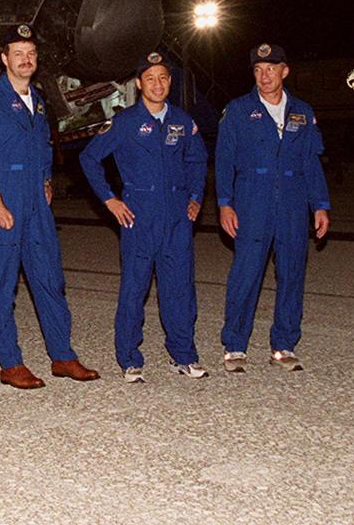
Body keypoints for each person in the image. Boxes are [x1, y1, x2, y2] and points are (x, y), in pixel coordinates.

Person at [0, 24, 100, 389]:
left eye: (31, 54)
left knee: (50, 280)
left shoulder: (38, 100)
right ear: (4, 58)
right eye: (18, 53)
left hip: (35, 204)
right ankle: (10, 363)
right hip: (2, 200)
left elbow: (43, 147)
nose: (25, 60)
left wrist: (45, 182)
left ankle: (63, 355)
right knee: (1, 286)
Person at [79, 52, 209, 383]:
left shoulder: (182, 121)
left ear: (170, 82)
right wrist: (110, 200)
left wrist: (195, 197)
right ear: (139, 84)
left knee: (179, 289)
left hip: (177, 217)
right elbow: (90, 158)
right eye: (150, 78)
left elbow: (197, 160)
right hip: (139, 215)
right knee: (134, 289)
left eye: (163, 78)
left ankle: (183, 355)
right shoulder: (124, 122)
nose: (157, 84)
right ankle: (129, 358)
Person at [216, 43, 330, 373]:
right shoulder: (238, 110)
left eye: (270, 69)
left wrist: (320, 205)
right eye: (258, 70)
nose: (264, 76)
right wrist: (225, 203)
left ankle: (283, 344)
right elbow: (224, 161)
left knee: (292, 274)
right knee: (246, 275)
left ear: (285, 71)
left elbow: (311, 162)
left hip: (293, 203)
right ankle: (235, 346)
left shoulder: (302, 112)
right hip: (253, 201)